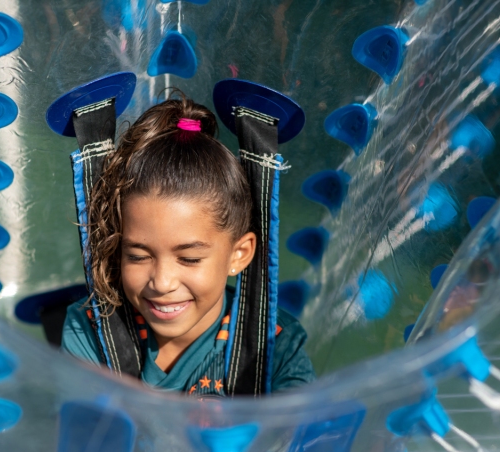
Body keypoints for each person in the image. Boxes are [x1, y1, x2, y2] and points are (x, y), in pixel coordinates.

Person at [61, 95, 315, 396]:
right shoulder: (89, 329)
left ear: (239, 254)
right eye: (137, 256)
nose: (163, 282)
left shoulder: (275, 346)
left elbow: (294, 436)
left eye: (190, 259)